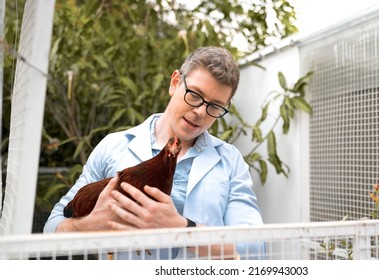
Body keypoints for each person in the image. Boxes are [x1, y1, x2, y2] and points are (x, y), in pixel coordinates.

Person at [44, 46, 265, 259]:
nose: (200, 112)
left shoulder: (230, 161)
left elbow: (254, 247)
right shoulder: (113, 146)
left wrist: (181, 228)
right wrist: (88, 226)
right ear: (175, 82)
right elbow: (52, 228)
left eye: (215, 106)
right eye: (194, 95)